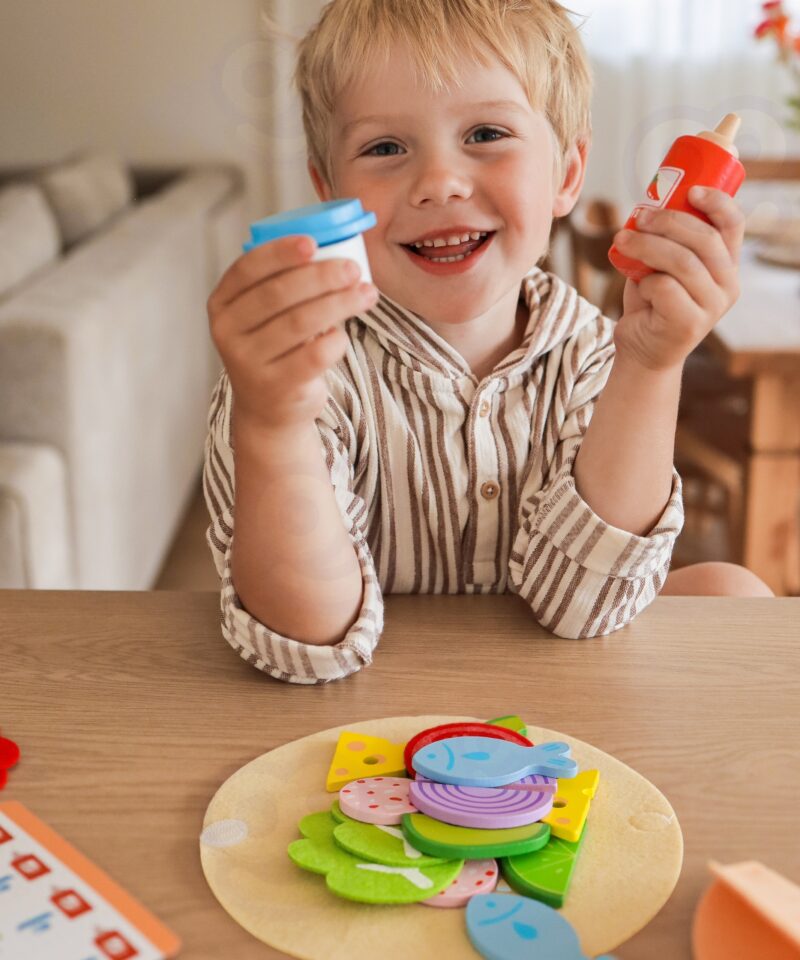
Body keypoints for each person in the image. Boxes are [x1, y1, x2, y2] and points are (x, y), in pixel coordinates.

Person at [203, 0, 772, 685]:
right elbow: (304, 639)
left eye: (486, 133)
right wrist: (272, 426)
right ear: (329, 191)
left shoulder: (598, 350)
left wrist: (649, 365)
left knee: (737, 594)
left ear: (566, 172)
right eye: (385, 148)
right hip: (370, 706)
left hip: (564, 705)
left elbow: (585, 609)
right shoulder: (293, 372)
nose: (439, 182)